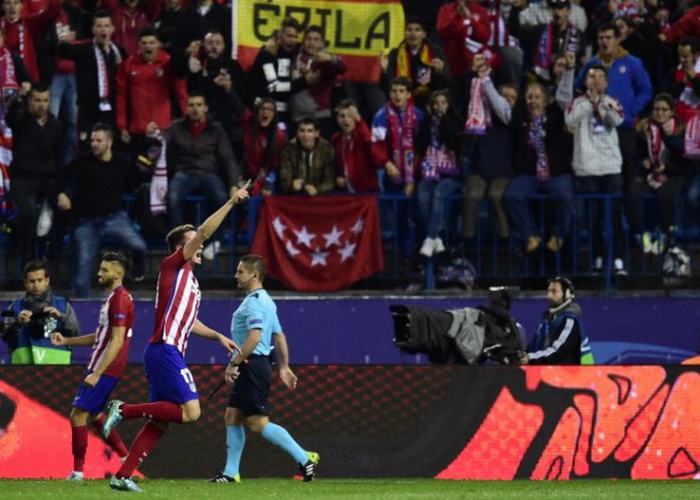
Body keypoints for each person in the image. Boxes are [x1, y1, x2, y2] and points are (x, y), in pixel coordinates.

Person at [101, 181, 250, 493]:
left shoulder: (190, 282)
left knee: (161, 420)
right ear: (181, 248)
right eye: (192, 240)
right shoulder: (172, 266)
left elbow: (188, 321)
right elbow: (205, 233)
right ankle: (124, 409)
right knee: (191, 412)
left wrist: (218, 337)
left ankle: (122, 476)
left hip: (166, 351)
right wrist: (230, 203)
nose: (199, 244)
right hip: (164, 349)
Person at [209, 254, 319, 483]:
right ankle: (230, 473)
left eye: (240, 271)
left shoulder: (254, 303)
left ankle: (304, 458)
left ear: (254, 275)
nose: (236, 275)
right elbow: (279, 336)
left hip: (252, 365)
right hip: (255, 364)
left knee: (258, 423)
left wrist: (234, 363)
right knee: (232, 416)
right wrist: (284, 366)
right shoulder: (267, 300)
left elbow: (255, 337)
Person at [50, 252, 134, 481]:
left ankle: (77, 473)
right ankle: (127, 459)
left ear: (117, 274)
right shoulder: (114, 298)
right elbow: (101, 336)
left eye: (105, 270)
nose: (99, 273)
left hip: (104, 368)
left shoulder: (120, 299)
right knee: (96, 415)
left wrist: (97, 373)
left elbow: (117, 340)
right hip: (103, 367)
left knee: (77, 415)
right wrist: (67, 341)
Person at [64, 123, 147, 298]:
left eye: (98, 140)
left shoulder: (121, 161)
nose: (94, 144)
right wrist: (61, 194)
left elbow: (136, 180)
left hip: (114, 218)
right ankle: (82, 308)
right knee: (82, 272)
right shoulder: (82, 161)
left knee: (140, 246)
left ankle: (137, 271)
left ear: (109, 142)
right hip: (87, 223)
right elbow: (61, 176)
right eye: (92, 140)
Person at [562, 60, 627, 275]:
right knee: (594, 216)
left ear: (606, 82)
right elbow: (570, 120)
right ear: (586, 81)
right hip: (587, 168)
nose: (596, 81)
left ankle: (618, 260)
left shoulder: (612, 101)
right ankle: (597, 259)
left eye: (600, 77)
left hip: (610, 167)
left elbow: (616, 120)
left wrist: (600, 105)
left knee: (614, 215)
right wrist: (589, 104)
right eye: (592, 77)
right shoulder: (577, 103)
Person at [165, 92, 241, 258]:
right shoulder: (176, 127)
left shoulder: (216, 129)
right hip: (184, 172)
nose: (195, 109)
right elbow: (164, 149)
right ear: (186, 108)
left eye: (199, 105)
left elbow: (228, 158)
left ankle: (216, 241)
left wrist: (233, 184)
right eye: (191, 105)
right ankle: (180, 244)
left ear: (206, 108)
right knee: (172, 198)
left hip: (208, 173)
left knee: (222, 198)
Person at [6, 82, 66, 265]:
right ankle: (26, 260)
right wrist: (20, 97)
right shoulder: (21, 121)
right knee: (28, 212)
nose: (42, 105)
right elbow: (10, 118)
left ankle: (50, 252)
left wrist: (61, 190)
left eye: (45, 100)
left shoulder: (56, 125)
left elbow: (59, 158)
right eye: (37, 100)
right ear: (30, 101)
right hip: (23, 178)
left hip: (47, 178)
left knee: (67, 208)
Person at [626, 94, 690, 255]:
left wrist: (669, 139)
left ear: (671, 112)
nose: (659, 113)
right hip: (650, 174)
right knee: (633, 192)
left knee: (666, 194)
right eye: (656, 109)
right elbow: (637, 156)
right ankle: (640, 234)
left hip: (674, 174)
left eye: (664, 109)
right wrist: (644, 163)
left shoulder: (680, 130)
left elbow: (684, 158)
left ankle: (665, 235)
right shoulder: (644, 129)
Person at [56, 10, 126, 152]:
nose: (103, 29)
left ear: (113, 29)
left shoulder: (119, 51)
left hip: (112, 111)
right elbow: (63, 51)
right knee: (87, 150)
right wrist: (64, 42)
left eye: (106, 26)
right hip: (89, 111)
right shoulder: (84, 49)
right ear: (93, 29)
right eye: (99, 26)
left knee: (112, 150)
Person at [2, 260, 80, 364]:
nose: (36, 285)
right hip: (22, 370)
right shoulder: (14, 307)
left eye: (40, 280)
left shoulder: (63, 305)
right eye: (32, 281)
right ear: (25, 282)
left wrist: (61, 317)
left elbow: (76, 334)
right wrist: (18, 324)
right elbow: (5, 338)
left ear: (47, 280)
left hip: (58, 370)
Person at [415, 90, 462, 258]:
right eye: (435, 103)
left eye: (443, 102)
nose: (439, 106)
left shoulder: (455, 122)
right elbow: (421, 145)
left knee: (439, 192)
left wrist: (444, 122)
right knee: (422, 193)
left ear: (448, 105)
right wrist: (429, 121)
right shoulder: (427, 123)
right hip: (430, 171)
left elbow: (454, 143)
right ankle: (436, 238)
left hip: (452, 175)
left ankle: (429, 238)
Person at [379, 16, 452, 112]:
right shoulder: (395, 54)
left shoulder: (435, 52)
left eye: (417, 30)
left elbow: (448, 84)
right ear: (404, 33)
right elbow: (386, 87)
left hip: (429, 105)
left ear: (424, 34)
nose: (413, 33)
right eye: (409, 29)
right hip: (402, 105)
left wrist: (441, 72)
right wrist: (384, 71)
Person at [289, 25, 346, 138]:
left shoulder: (325, 60)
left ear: (322, 43)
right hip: (296, 115)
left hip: (320, 116)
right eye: (308, 39)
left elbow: (343, 68)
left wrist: (330, 58)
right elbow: (282, 39)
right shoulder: (295, 53)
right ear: (303, 40)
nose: (312, 43)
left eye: (316, 40)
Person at [521, 276, 593, 365]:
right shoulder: (546, 319)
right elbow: (534, 346)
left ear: (567, 294)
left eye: (554, 291)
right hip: (546, 372)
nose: (549, 296)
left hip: (567, 373)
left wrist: (529, 358)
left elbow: (557, 351)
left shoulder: (570, 321)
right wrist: (522, 355)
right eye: (548, 291)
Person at [278, 117, 336, 196]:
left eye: (310, 131)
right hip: (296, 196)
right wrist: (291, 185)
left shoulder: (326, 149)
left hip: (320, 196)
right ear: (297, 133)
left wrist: (317, 190)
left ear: (317, 133)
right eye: (302, 131)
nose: (305, 135)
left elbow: (330, 180)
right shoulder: (288, 149)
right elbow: (283, 179)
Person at [332, 99, 378, 194]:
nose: (345, 120)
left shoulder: (362, 135)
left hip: (366, 192)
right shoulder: (336, 139)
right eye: (342, 116)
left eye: (350, 116)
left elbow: (370, 143)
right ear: (337, 119)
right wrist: (338, 176)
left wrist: (360, 121)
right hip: (346, 192)